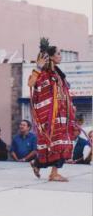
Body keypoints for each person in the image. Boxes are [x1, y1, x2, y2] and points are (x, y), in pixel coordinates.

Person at [28, 38, 75, 182]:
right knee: (56, 144)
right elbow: (31, 83)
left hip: (61, 116)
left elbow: (63, 94)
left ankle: (39, 165)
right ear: (52, 57)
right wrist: (38, 66)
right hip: (50, 117)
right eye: (59, 53)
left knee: (59, 144)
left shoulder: (58, 74)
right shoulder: (44, 73)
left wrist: (70, 107)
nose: (61, 56)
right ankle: (52, 173)